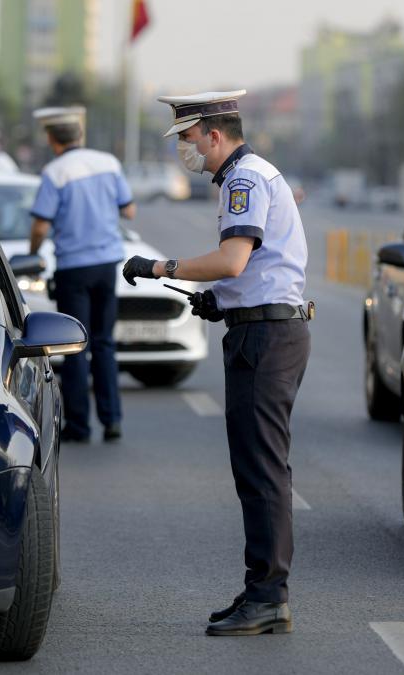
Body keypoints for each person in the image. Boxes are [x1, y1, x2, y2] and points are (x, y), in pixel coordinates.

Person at [123, 90, 310, 636]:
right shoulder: (244, 176)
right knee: (256, 468)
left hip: (268, 337)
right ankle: (262, 591)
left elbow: (232, 259)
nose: (184, 148)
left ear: (213, 133)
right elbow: (251, 268)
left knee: (263, 471)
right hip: (263, 329)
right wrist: (221, 301)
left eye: (186, 137)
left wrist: (161, 266)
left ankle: (269, 596)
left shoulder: (245, 178)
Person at [30, 106, 136, 442]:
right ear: (79, 135)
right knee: (104, 342)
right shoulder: (109, 163)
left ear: (51, 138)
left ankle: (78, 425)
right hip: (107, 265)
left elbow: (40, 224)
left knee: (75, 345)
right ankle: (112, 420)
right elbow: (129, 209)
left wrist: (33, 254)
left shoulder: (54, 172)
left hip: (73, 267)